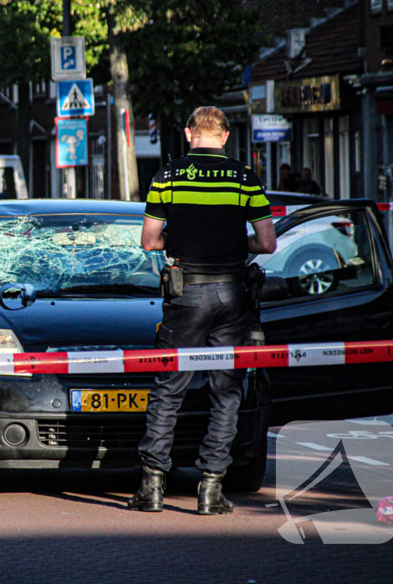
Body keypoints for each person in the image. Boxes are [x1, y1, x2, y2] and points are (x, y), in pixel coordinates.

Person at [129, 106, 277, 516]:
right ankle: (211, 489)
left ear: (189, 133)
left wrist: (183, 240)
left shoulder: (168, 176)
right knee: (226, 391)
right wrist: (231, 245)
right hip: (232, 294)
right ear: (225, 137)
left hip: (186, 294)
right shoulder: (245, 178)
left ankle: (152, 487)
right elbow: (267, 243)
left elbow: (149, 241)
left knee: (167, 389)